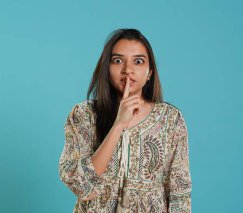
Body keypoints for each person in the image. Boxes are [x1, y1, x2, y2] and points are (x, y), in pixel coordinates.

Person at [58, 28, 192, 212]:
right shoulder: (84, 115)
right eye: (118, 60)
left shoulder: (171, 120)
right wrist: (118, 125)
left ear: (150, 71)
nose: (128, 70)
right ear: (106, 67)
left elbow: (180, 195)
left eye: (138, 61)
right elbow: (80, 184)